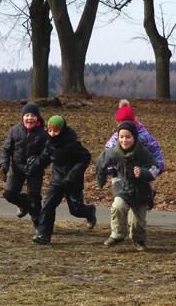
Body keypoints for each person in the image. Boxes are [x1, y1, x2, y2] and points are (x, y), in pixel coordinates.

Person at [27, 116, 97, 244]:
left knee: (76, 210)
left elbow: (85, 157)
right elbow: (44, 158)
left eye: (56, 131)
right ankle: (43, 235)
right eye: (50, 130)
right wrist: (32, 165)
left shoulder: (72, 144)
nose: (52, 134)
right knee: (48, 206)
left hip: (72, 181)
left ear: (62, 130)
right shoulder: (49, 143)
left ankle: (89, 212)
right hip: (57, 181)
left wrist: (74, 174)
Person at [96, 121, 159, 251]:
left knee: (138, 222)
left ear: (135, 137)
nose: (124, 140)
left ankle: (138, 240)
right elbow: (101, 163)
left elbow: (154, 168)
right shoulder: (113, 152)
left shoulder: (143, 153)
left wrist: (143, 172)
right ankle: (117, 234)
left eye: (128, 137)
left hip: (141, 190)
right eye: (121, 137)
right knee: (118, 207)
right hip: (122, 186)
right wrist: (101, 180)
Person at [0, 102, 48, 230]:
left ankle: (39, 224)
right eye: (27, 115)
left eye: (33, 115)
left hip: (35, 170)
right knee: (9, 194)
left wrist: (38, 161)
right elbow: (6, 149)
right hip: (16, 168)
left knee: (34, 197)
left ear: (37, 118)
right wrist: (4, 165)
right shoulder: (14, 130)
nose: (29, 118)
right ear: (22, 117)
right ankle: (24, 205)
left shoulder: (43, 134)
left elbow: (47, 154)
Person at [104, 100, 165, 174]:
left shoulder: (142, 136)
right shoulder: (117, 135)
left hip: (142, 169)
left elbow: (155, 149)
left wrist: (158, 165)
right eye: (120, 124)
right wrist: (110, 167)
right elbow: (109, 148)